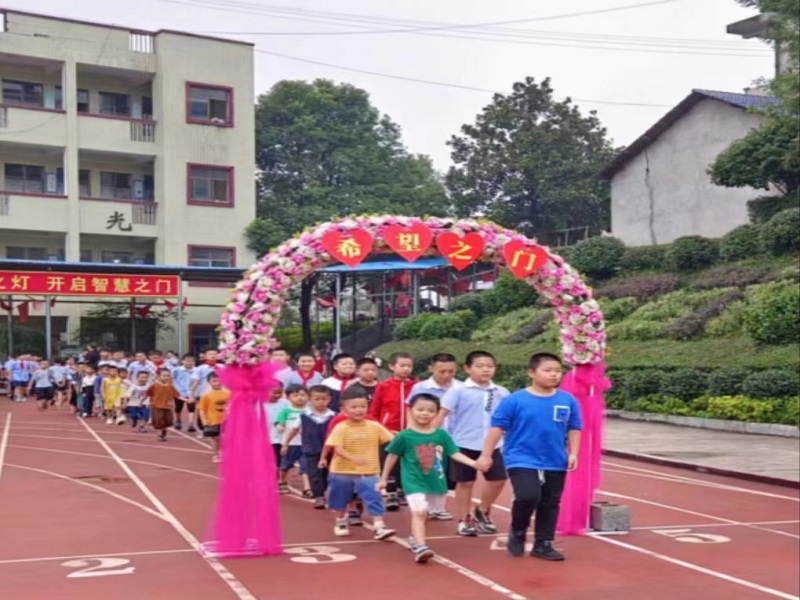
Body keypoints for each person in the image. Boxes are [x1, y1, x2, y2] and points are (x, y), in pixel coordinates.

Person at [477, 352, 582, 560]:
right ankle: (518, 530)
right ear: (532, 373)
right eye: (547, 370)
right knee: (528, 496)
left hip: (555, 458)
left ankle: (543, 543)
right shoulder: (515, 400)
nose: (554, 375)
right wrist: (486, 455)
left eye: (558, 371)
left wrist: (574, 453)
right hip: (521, 457)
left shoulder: (567, 400)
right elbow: (497, 428)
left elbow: (574, 428)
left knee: (550, 502)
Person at [380, 393, 482, 563]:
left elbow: (454, 453)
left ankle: (415, 537)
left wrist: (474, 463)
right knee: (419, 511)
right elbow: (392, 456)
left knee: (425, 512)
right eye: (420, 409)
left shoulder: (441, 435)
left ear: (436, 413)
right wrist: (384, 478)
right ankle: (421, 547)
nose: (425, 413)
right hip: (413, 480)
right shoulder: (404, 436)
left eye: (430, 410)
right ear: (411, 411)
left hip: (435, 480)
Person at [435, 350, 509, 537]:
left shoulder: (501, 392)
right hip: (463, 443)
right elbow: (442, 415)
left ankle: (482, 510)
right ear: (468, 368)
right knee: (465, 482)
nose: (486, 370)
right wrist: (430, 439)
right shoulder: (458, 391)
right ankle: (464, 519)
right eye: (480, 366)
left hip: (493, 444)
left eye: (490, 366)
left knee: (498, 479)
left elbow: (510, 418)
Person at [326, 390, 396, 540]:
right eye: (354, 407)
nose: (359, 410)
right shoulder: (341, 427)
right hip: (342, 471)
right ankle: (340, 521)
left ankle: (379, 525)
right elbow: (337, 448)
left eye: (363, 406)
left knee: (374, 497)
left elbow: (391, 440)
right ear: (344, 410)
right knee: (340, 498)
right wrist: (353, 458)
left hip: (369, 470)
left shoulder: (374, 426)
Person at [408, 352, 463, 516]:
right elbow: (411, 410)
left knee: (445, 474)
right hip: (428, 435)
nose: (447, 375)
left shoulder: (462, 387)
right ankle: (427, 506)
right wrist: (412, 433)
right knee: (429, 470)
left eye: (451, 371)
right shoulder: (421, 388)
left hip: (455, 436)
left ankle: (437, 507)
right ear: (431, 368)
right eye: (442, 371)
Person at [369, 352, 418, 510]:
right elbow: (374, 412)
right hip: (389, 432)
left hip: (412, 432)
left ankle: (404, 490)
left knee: (409, 462)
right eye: (402, 366)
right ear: (392, 366)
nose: (406, 369)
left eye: (409, 366)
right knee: (389, 462)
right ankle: (391, 493)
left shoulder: (417, 386)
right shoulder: (384, 386)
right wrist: (383, 430)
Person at [284, 385, 335, 508]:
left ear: (329, 399)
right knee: (314, 474)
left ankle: (329, 492)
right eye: (317, 399)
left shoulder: (334, 416)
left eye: (324, 399)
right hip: (311, 449)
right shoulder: (304, 416)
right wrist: (286, 444)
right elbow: (294, 430)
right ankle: (319, 496)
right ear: (310, 399)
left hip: (331, 451)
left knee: (330, 474)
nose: (320, 402)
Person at [276, 384, 310, 494]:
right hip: (290, 444)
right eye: (295, 395)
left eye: (303, 395)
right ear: (288, 397)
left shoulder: (310, 411)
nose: (300, 398)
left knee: (305, 466)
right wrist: (280, 426)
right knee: (285, 465)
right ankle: (282, 481)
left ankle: (307, 488)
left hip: (305, 444)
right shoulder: (286, 411)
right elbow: (279, 423)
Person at [198, 372, 231, 463]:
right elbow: (202, 409)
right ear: (209, 382)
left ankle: (223, 452)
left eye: (220, 380)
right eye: (214, 381)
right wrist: (204, 420)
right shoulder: (206, 395)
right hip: (212, 420)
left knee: (224, 438)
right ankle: (216, 454)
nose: (218, 383)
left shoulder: (229, 393)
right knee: (214, 438)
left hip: (226, 420)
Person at [189, 349, 219, 435]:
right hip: (204, 395)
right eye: (210, 354)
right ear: (205, 356)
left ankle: (216, 428)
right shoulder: (200, 369)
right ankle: (202, 429)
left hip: (219, 394)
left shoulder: (222, 367)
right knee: (203, 411)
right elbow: (195, 382)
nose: (213, 356)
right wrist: (191, 396)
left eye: (215, 354)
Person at [147, 368, 182, 442]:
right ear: (158, 376)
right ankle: (159, 434)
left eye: (168, 376)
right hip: (157, 406)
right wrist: (141, 402)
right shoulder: (154, 386)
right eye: (164, 376)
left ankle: (164, 432)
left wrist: (187, 400)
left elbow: (177, 395)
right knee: (159, 421)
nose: (166, 377)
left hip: (167, 406)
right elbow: (147, 394)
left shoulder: (170, 387)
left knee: (168, 421)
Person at [264, 383, 289, 468]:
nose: (277, 395)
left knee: (277, 462)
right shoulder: (257, 403)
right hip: (262, 439)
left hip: (279, 439)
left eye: (280, 393)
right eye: (274, 393)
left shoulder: (285, 403)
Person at [171, 353, 196, 431]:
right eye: (187, 361)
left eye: (191, 361)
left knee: (191, 408)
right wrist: (174, 389)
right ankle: (178, 420)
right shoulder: (176, 370)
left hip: (191, 392)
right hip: (179, 392)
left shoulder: (196, 370)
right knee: (178, 407)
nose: (189, 363)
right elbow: (172, 379)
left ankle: (191, 423)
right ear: (182, 361)